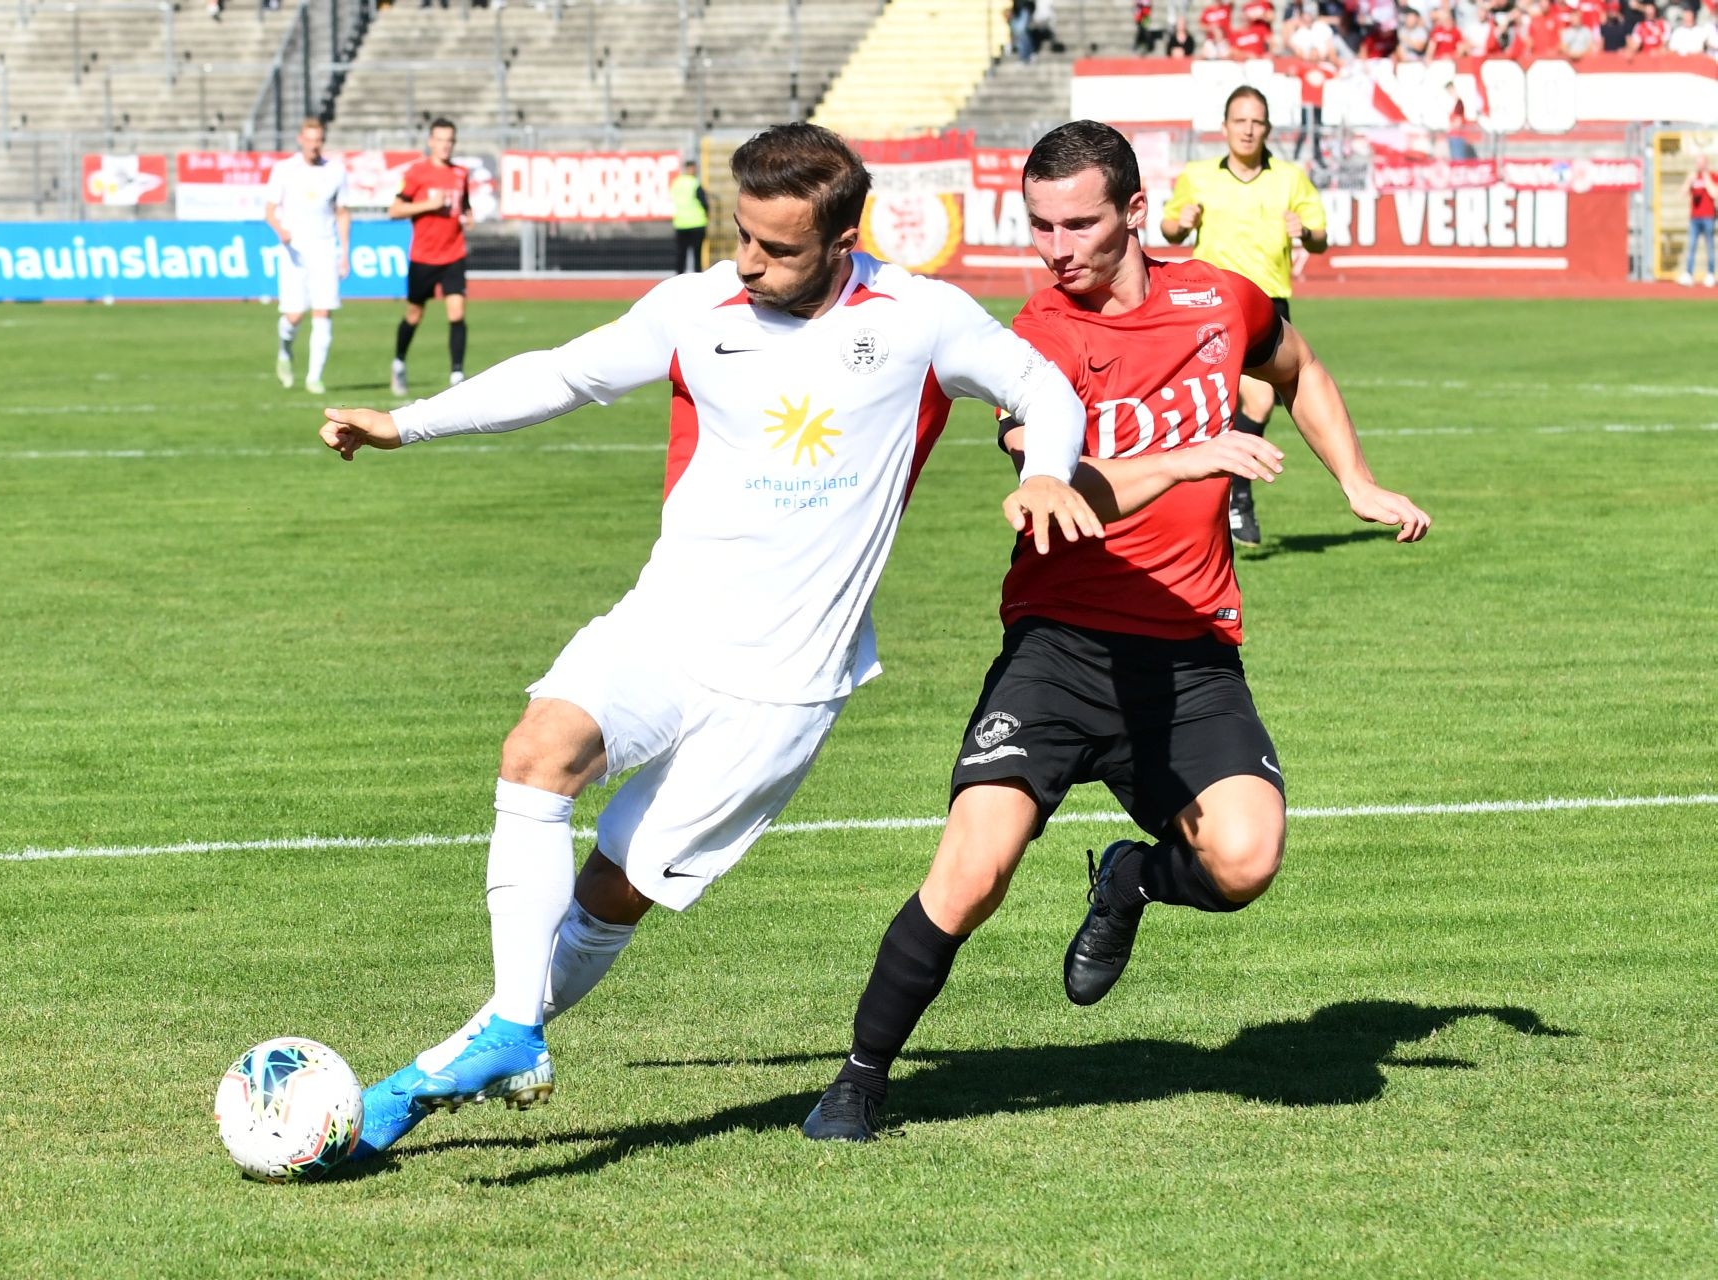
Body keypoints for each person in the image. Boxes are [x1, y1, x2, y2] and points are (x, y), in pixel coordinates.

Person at [314, 122, 1232, 1161]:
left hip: (785, 687)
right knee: (537, 752)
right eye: (743, 236)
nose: (749, 262)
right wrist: (409, 423)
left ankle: (473, 1048)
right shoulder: (699, 303)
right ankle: (513, 1028)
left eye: (778, 248)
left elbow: (1047, 390)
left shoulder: (921, 317)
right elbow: (567, 374)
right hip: (667, 621)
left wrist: (1049, 470)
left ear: (845, 240)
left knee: (613, 888)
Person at [800, 119, 1430, 1143]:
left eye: (1078, 223)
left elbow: (1298, 366)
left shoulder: (1219, 297)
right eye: (1039, 225)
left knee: (1246, 857)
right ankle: (861, 1076)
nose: (1055, 248)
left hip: (1188, 650)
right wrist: (1186, 461)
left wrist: (1354, 482)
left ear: (1135, 212)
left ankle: (1127, 876)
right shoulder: (1036, 337)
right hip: (1061, 646)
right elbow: (1060, 486)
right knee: (973, 869)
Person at [1161, 85, 1327, 546]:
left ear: (1268, 128)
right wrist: (1182, 221)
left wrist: (1306, 232)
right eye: (1240, 120)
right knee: (1204, 409)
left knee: (1255, 403)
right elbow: (1169, 228)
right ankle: (1204, 509)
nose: (1248, 129)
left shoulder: (1291, 178)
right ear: (1226, 127)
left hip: (1266, 303)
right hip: (1207, 304)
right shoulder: (1198, 176)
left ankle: (1236, 491)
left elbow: (1320, 239)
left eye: (1257, 122)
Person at [264, 118, 349, 397]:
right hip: (293, 251)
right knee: (294, 315)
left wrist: (344, 253)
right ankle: (285, 352)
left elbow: (341, 212)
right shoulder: (284, 169)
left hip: (325, 248)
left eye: (319, 140)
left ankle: (315, 377)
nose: (314, 145)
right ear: (301, 139)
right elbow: (269, 209)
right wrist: (281, 230)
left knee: (323, 311)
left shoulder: (335, 171)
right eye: (310, 139)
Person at [390, 117, 472, 399]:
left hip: (453, 253)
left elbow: (465, 206)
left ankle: (457, 374)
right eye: (440, 140)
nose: (445, 145)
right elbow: (395, 209)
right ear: (430, 142)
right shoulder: (417, 173)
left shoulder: (461, 174)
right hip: (424, 256)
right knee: (414, 314)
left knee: (457, 312)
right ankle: (399, 362)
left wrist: (467, 217)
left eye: (450, 140)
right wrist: (428, 205)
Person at [670, 158, 710, 274]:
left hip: (680, 223)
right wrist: (707, 213)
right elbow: (704, 203)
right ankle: (697, 277)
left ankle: (678, 277)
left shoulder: (676, 183)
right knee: (697, 254)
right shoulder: (695, 183)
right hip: (697, 223)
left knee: (681, 253)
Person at [1681, 156, 1717, 287]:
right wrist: (1689, 181)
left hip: (1708, 216)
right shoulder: (1693, 177)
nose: (1699, 165)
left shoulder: (1713, 176)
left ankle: (1710, 274)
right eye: (1697, 163)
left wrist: (1707, 179)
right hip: (1694, 218)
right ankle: (1688, 274)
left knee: (1710, 246)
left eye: (1701, 163)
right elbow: (1683, 193)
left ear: (1706, 163)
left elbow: (1715, 194)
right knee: (1691, 246)